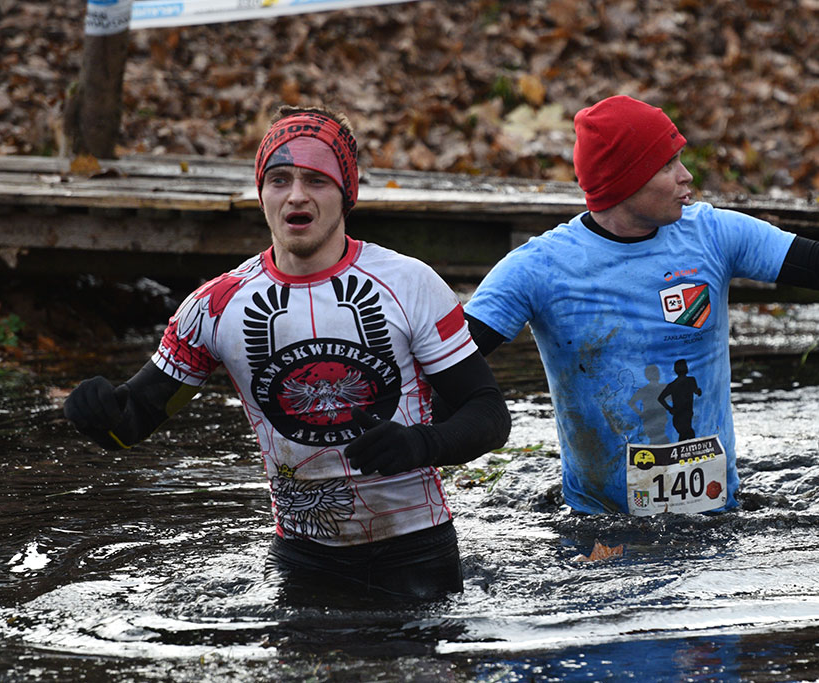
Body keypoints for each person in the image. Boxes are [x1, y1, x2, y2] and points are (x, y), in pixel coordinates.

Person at [63, 104, 511, 601]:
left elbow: (489, 415)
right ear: (262, 195)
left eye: (316, 180)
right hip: (305, 560)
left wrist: (421, 444)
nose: (296, 195)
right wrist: (95, 414)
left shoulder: (410, 284)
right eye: (279, 180)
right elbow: (132, 422)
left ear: (347, 195)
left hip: (417, 552)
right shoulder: (217, 305)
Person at [463, 95, 819, 516]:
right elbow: (451, 357)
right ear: (625, 181)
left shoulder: (713, 235)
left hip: (716, 516)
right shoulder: (538, 268)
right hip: (598, 526)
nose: (687, 176)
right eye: (668, 165)